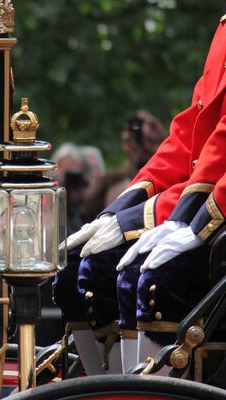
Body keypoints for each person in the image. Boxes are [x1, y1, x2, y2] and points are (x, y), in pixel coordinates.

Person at [53, 15, 226, 376]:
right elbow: (187, 136)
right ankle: (103, 387)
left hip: (216, 201)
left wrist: (194, 220)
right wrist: (117, 211)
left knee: (147, 275)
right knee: (74, 269)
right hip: (199, 192)